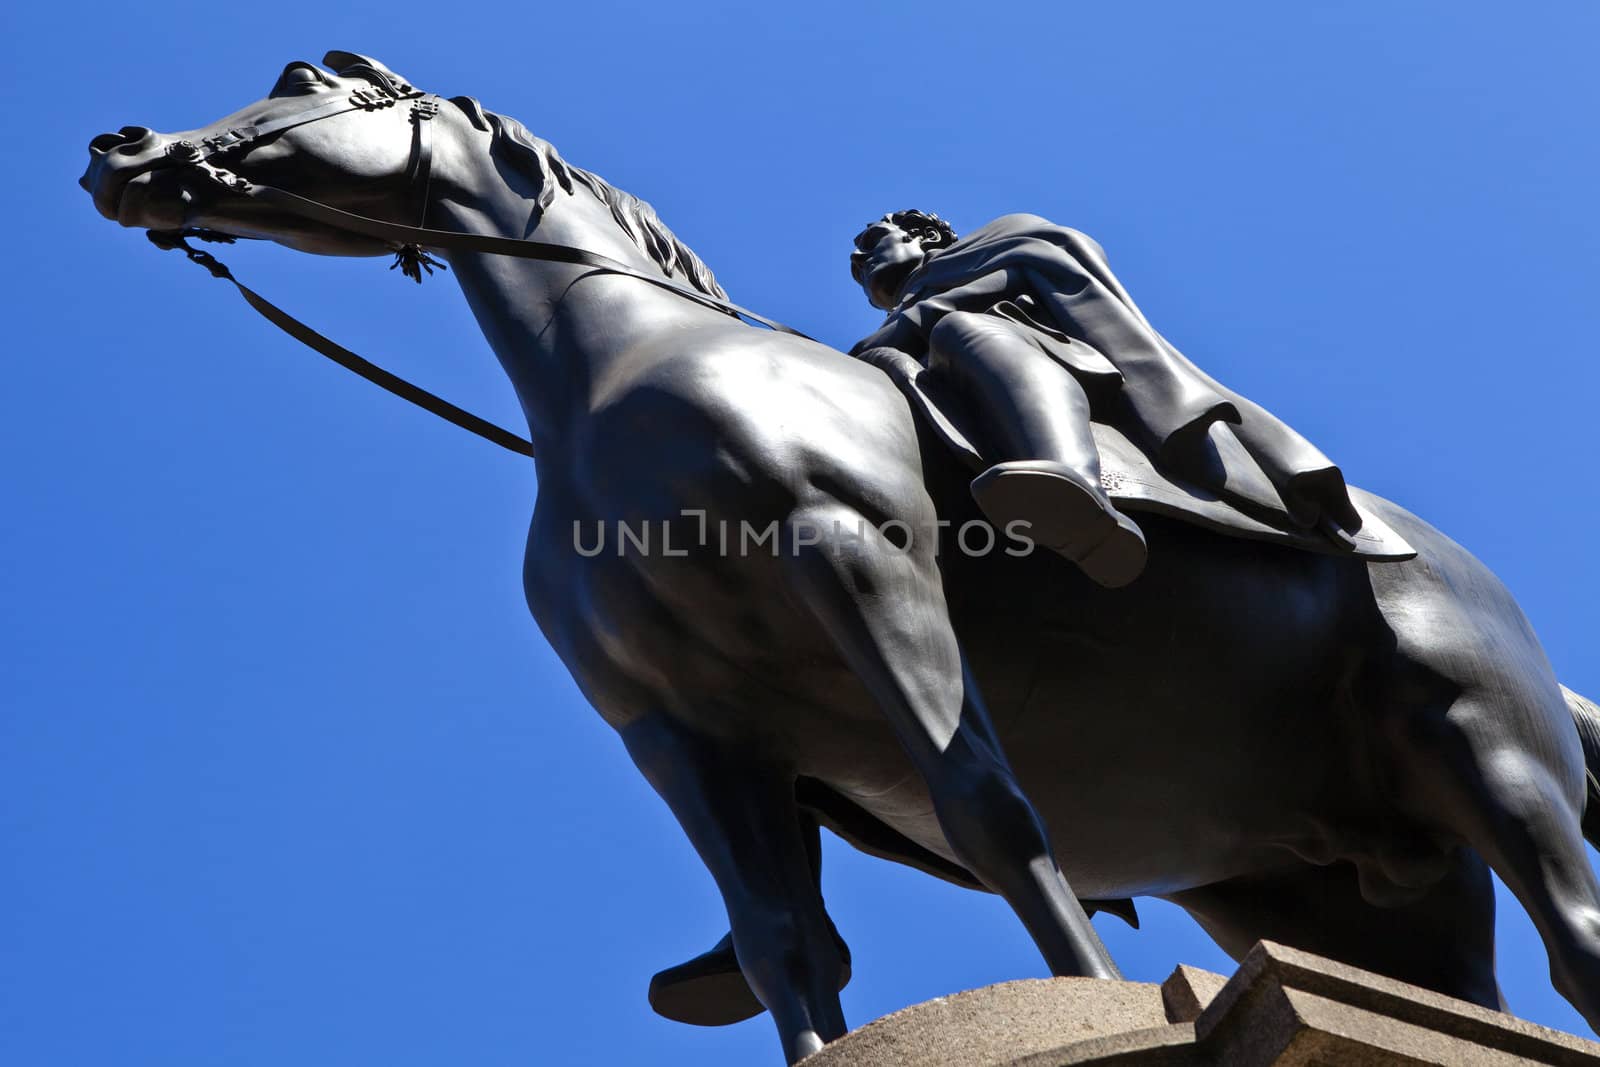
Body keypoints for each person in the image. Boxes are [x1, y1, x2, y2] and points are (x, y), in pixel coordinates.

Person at [849, 209, 1365, 586]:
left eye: (873, 239)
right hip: (946, 377)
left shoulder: (997, 241)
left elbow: (1050, 265)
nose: (859, 258)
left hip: (1050, 350)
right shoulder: (886, 334)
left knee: (963, 330)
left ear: (924, 234)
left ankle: (1073, 481)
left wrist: (915, 322)